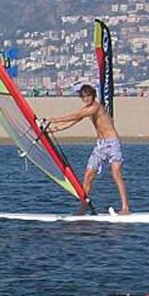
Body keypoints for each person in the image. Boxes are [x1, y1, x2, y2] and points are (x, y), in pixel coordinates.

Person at [42, 83, 129, 214]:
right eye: (84, 96)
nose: (86, 98)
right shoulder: (86, 109)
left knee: (116, 174)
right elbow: (73, 121)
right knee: (88, 175)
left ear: (93, 95)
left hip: (112, 143)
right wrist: (55, 129)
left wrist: (53, 119)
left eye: (88, 95)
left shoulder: (96, 107)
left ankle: (125, 208)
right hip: (100, 146)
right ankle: (83, 208)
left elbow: (74, 115)